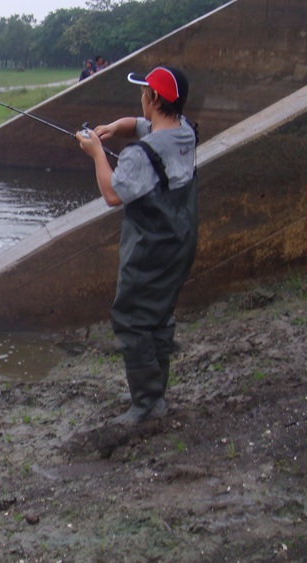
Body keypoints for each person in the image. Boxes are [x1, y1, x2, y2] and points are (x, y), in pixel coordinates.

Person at [77, 66, 198, 425]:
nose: (140, 97)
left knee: (130, 319)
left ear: (155, 98)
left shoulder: (139, 155)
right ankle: (156, 394)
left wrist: (97, 153)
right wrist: (115, 128)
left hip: (150, 247)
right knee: (158, 316)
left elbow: (113, 194)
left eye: (144, 92)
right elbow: (143, 124)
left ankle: (145, 405)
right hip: (181, 241)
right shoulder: (186, 131)